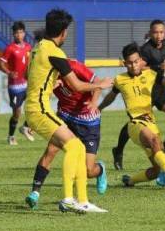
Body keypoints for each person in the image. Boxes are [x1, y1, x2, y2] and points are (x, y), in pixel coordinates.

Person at [24, 9, 113, 214]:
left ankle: (82, 201)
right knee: (73, 147)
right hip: (40, 110)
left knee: (78, 149)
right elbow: (77, 86)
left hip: (35, 109)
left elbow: (33, 74)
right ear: (64, 32)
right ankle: (68, 199)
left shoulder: (37, 48)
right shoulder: (56, 52)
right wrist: (102, 83)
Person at [25, 59, 107, 210]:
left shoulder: (73, 66)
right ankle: (35, 193)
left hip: (87, 120)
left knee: (89, 170)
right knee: (50, 151)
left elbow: (98, 83)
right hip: (65, 116)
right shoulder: (46, 73)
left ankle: (100, 169)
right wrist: (30, 123)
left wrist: (94, 103)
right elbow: (42, 99)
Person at [98, 42, 165, 187]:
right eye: (129, 63)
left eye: (136, 62)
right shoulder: (119, 79)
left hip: (151, 123)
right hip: (135, 124)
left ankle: (130, 181)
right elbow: (111, 96)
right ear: (124, 63)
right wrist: (99, 108)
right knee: (155, 141)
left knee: (155, 170)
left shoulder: (151, 75)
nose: (134, 66)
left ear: (141, 60)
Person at [112, 20, 165, 170]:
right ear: (151, 33)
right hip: (145, 88)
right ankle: (118, 150)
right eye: (155, 32)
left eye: (161, 32)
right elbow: (139, 68)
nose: (159, 35)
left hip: (159, 87)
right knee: (136, 121)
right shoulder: (145, 50)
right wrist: (159, 66)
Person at [0, 21, 33, 145]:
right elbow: (1, 63)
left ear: (24, 33)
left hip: (27, 83)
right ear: (13, 34)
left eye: (21, 32)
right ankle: (11, 136)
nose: (19, 35)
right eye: (17, 33)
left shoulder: (29, 47)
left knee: (35, 106)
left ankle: (26, 127)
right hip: (15, 86)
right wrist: (9, 72)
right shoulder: (10, 49)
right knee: (17, 113)